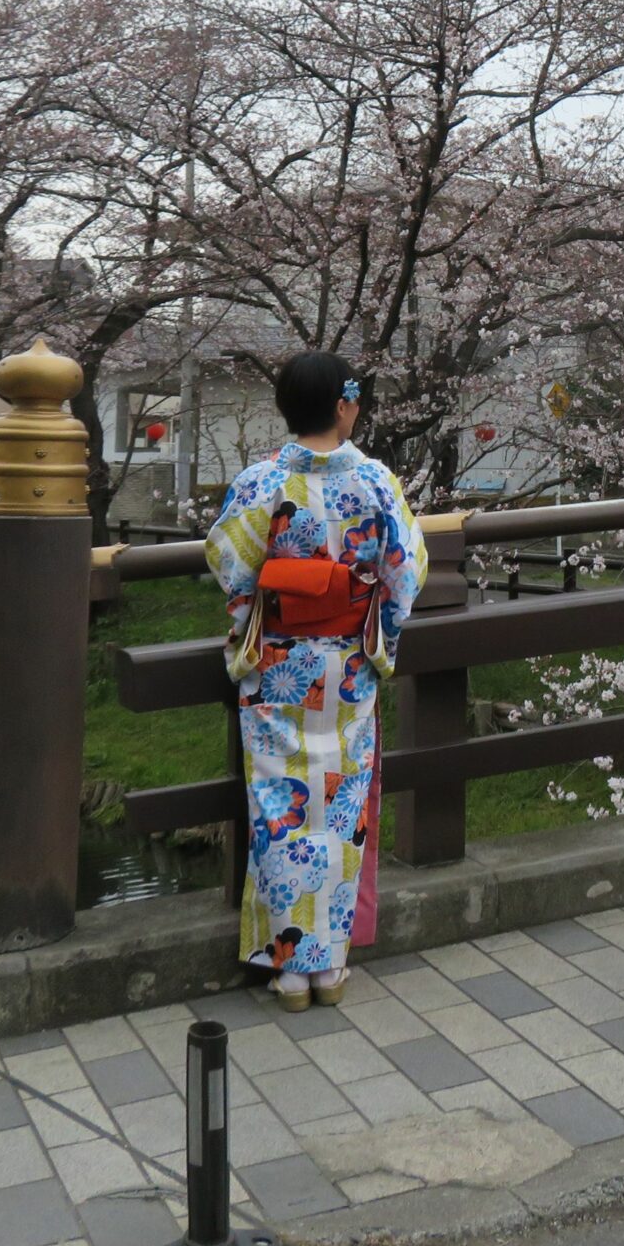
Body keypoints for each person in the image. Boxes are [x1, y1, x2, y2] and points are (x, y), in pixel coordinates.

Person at [204, 353, 423, 1012]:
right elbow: (405, 572)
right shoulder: (377, 482)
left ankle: (290, 971)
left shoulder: (260, 482)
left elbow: (228, 563)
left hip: (280, 666)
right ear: (345, 406)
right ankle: (328, 969)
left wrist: (266, 610)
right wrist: (375, 628)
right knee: (339, 807)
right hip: (349, 668)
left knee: (282, 809)